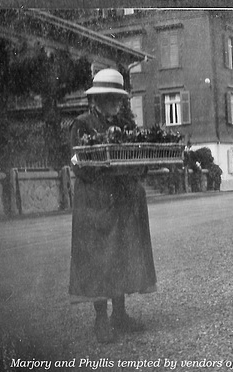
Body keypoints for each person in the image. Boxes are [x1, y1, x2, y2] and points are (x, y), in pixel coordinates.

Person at [69, 68, 156, 343]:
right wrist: (109, 171)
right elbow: (80, 165)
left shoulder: (123, 125)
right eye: (111, 98)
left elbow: (132, 157)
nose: (117, 103)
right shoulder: (82, 124)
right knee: (100, 258)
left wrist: (140, 168)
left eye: (119, 98)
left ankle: (120, 314)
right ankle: (100, 320)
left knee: (121, 253)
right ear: (98, 98)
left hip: (121, 199)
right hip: (95, 200)